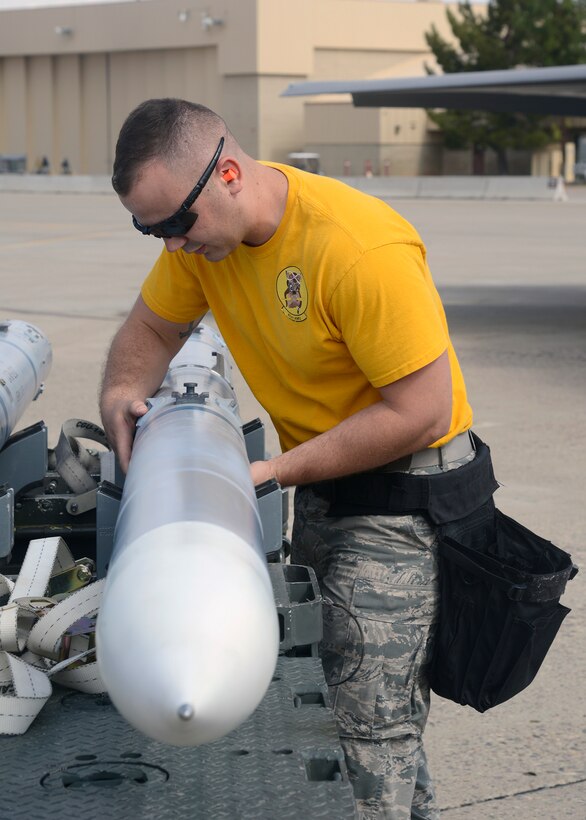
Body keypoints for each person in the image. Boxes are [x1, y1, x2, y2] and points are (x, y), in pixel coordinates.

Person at [100, 98, 486, 820]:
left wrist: (275, 472)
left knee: (365, 733)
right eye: (150, 230)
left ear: (230, 174)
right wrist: (124, 391)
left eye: (177, 223)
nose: (172, 246)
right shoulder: (206, 250)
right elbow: (151, 329)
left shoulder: (355, 248)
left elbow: (420, 411)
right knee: (368, 704)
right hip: (327, 485)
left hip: (404, 499)